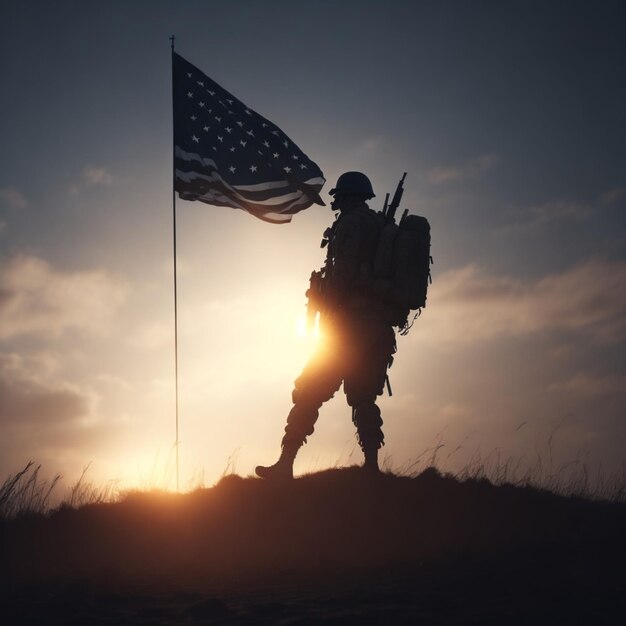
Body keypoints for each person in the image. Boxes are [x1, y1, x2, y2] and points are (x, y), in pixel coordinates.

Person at [255, 171, 398, 480]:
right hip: (378, 330)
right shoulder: (380, 225)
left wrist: (324, 297)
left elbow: (343, 274)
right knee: (363, 397)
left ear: (344, 197)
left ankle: (285, 463)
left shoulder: (350, 224)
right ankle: (372, 468)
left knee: (310, 389)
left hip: (348, 327)